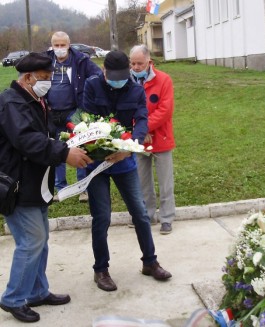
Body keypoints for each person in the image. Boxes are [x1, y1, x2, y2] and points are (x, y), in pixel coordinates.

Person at [0, 53, 93, 323]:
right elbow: (28, 140)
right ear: (28, 78)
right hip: (18, 185)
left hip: (36, 184)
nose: (49, 82)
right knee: (31, 242)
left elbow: (47, 134)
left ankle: (37, 291)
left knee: (41, 241)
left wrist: (76, 137)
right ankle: (13, 298)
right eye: (45, 78)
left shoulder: (35, 99)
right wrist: (64, 154)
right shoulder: (11, 103)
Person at [82, 50, 172, 292]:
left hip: (124, 161)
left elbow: (141, 119)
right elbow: (87, 121)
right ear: (104, 71)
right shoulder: (92, 87)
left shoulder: (134, 88)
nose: (119, 80)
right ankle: (101, 269)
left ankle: (150, 262)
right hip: (97, 163)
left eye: (124, 76)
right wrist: (102, 149)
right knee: (101, 217)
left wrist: (130, 146)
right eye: (114, 76)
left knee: (140, 213)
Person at [46, 31, 101, 202]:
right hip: (51, 112)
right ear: (52, 45)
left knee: (80, 146)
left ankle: (82, 188)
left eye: (63, 45)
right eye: (57, 45)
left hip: (74, 111)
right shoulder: (46, 60)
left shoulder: (80, 60)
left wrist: (86, 94)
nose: (60, 48)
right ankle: (60, 188)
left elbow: (98, 75)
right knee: (57, 149)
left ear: (69, 45)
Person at [129, 44, 176, 234]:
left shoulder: (164, 80)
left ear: (149, 61)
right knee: (142, 180)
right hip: (139, 140)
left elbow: (165, 110)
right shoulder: (127, 82)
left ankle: (167, 218)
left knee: (165, 181)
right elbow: (125, 109)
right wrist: (139, 131)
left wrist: (143, 127)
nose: (136, 67)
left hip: (161, 137)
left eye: (140, 63)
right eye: (132, 63)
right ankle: (147, 215)